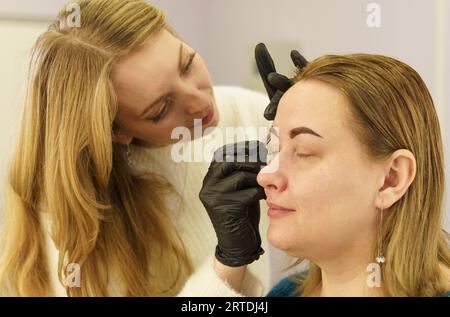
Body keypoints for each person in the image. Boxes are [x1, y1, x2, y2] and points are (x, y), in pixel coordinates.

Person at [0, 0, 271, 296]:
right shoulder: (79, 221)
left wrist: (314, 108)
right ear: (116, 132)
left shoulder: (244, 111)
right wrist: (228, 265)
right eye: (161, 109)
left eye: (187, 64)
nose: (200, 102)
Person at [200, 50, 450, 296]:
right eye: (274, 149)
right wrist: (230, 262)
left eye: (304, 151)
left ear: (391, 180)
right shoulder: (286, 293)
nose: (264, 176)